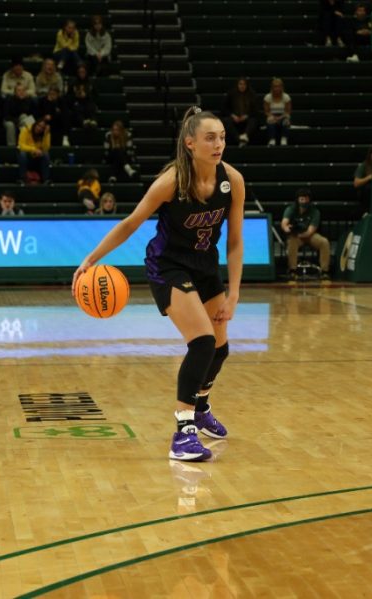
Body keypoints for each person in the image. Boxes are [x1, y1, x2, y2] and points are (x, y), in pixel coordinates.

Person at [71, 106, 245, 462]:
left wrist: (235, 292)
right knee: (202, 343)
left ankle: (200, 406)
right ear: (190, 142)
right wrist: (92, 257)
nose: (219, 144)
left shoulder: (234, 181)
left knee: (221, 349)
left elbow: (235, 241)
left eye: (222, 137)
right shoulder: (171, 182)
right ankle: (183, 433)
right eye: (210, 138)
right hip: (168, 267)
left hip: (204, 265)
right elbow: (131, 223)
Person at [281, 188, 331, 282]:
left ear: (309, 199)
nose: (304, 201)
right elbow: (284, 223)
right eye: (302, 199)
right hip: (296, 236)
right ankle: (293, 270)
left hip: (309, 235)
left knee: (324, 242)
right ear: (298, 199)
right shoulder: (291, 209)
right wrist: (287, 228)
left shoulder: (315, 211)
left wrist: (303, 235)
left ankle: (325, 271)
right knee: (292, 242)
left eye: (306, 199)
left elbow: (311, 230)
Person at [221, 78, 261, 147]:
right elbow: (224, 108)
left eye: (244, 84)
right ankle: (239, 138)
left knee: (254, 120)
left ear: (247, 85)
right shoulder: (231, 94)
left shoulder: (252, 94)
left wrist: (247, 116)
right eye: (240, 84)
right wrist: (233, 115)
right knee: (226, 120)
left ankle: (245, 135)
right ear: (237, 85)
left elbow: (255, 110)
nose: (242, 86)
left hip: (247, 118)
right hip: (234, 118)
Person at [18, 120, 51, 185]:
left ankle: (46, 180)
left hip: (37, 157)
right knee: (22, 154)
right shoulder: (25, 130)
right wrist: (33, 149)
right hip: (27, 156)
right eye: (38, 126)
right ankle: (22, 179)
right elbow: (21, 146)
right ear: (35, 124)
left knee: (46, 155)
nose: (39, 128)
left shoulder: (45, 134)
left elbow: (46, 148)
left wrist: (46, 134)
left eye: (42, 128)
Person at [3, 83, 36, 147]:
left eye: (23, 90)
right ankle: (11, 147)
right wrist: (17, 122)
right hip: (10, 120)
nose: (21, 92)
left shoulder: (29, 100)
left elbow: (33, 115)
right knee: (10, 125)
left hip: (22, 121)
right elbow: (6, 115)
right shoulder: (9, 100)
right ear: (15, 92)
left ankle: (25, 144)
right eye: (19, 90)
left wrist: (22, 100)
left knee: (25, 117)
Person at [263, 78, 292, 147]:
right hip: (272, 115)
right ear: (272, 87)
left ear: (282, 87)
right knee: (270, 120)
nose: (277, 88)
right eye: (275, 86)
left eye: (279, 86)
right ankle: (272, 139)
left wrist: (280, 118)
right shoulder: (268, 97)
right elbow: (266, 111)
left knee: (286, 121)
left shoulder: (286, 97)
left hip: (283, 115)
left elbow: (288, 111)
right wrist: (273, 117)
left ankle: (284, 139)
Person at [69, 63, 99, 129]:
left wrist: (86, 95)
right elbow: (68, 97)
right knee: (77, 106)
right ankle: (83, 121)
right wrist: (76, 96)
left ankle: (93, 120)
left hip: (88, 101)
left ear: (86, 72)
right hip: (77, 102)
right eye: (80, 72)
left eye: (83, 72)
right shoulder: (73, 83)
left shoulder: (91, 82)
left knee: (91, 105)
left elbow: (96, 95)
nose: (81, 74)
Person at [353, 146, 372, 215]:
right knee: (369, 188)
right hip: (366, 193)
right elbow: (356, 183)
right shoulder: (364, 166)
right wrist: (368, 178)